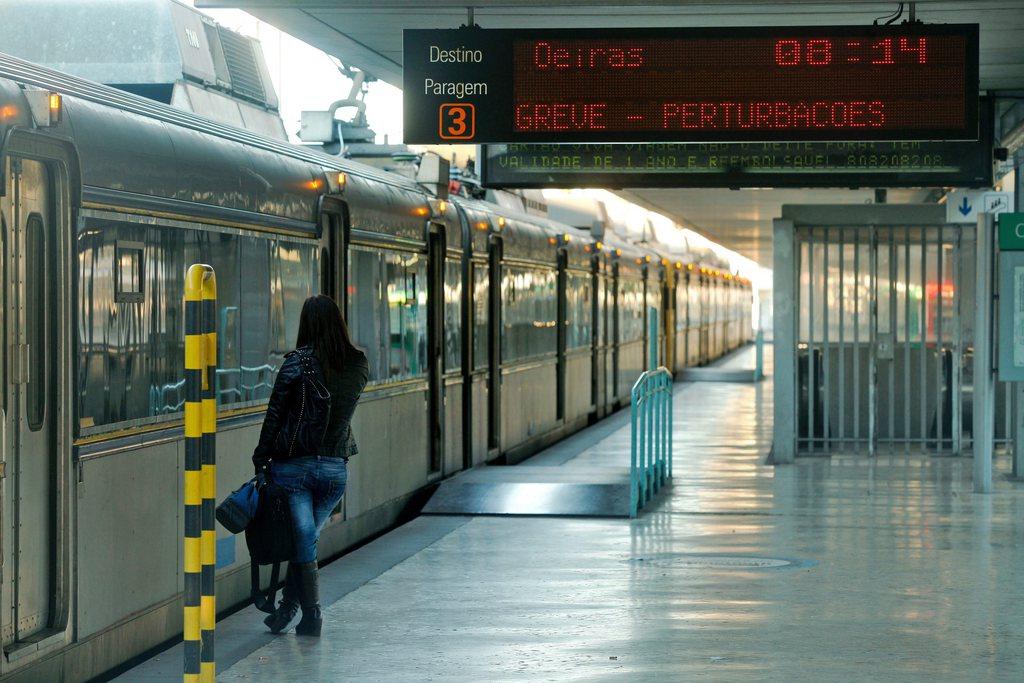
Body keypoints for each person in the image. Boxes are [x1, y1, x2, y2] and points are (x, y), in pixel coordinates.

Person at [252, 294, 369, 637]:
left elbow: (274, 416)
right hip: (334, 470)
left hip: (295, 470)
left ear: (306, 323)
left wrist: (261, 458)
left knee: (305, 540)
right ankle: (288, 610)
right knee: (306, 539)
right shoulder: (359, 363)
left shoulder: (295, 363)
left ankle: (312, 613)